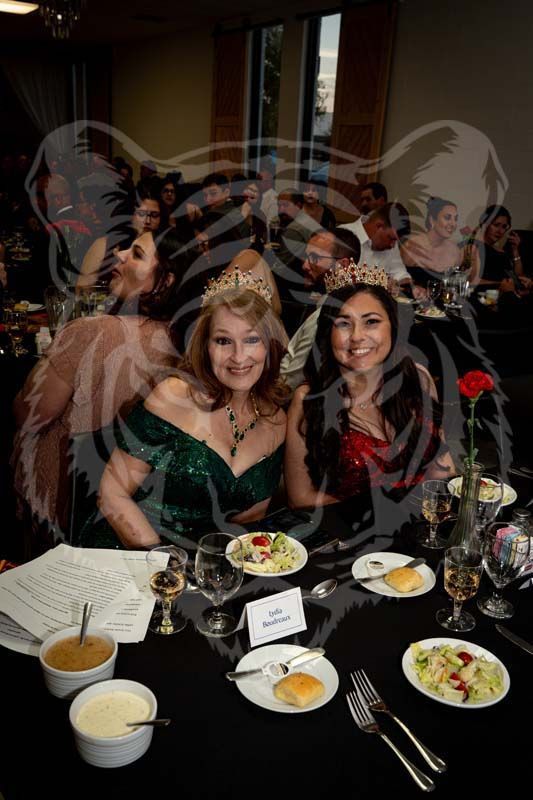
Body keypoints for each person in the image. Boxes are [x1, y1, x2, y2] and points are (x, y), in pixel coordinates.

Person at [80, 270, 289, 549]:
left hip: (210, 566)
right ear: (205, 346)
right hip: (133, 551)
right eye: (223, 341)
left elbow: (248, 524)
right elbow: (112, 493)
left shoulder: (275, 422)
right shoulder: (173, 397)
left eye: (252, 339)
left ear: (269, 346)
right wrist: (165, 564)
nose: (239, 357)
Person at [11, 228, 188, 547]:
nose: (118, 255)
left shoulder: (88, 333)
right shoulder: (185, 341)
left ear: (166, 280)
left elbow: (30, 415)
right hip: (141, 504)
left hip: (62, 501)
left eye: (136, 254)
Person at [285, 277, 455, 509]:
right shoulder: (308, 400)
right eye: (344, 323)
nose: (357, 336)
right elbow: (300, 498)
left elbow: (442, 470)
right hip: (352, 534)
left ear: (393, 328)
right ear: (328, 333)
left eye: (371, 322)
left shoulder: (419, 380)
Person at [280, 229, 361, 388]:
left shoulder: (330, 315)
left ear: (343, 265)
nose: (304, 265)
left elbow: (288, 382)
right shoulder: (331, 302)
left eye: (315, 258)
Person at [76, 193, 162, 289]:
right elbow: (82, 289)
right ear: (131, 215)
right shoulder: (105, 244)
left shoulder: (163, 251)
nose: (147, 221)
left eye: (154, 215)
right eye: (141, 214)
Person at [338, 203, 416, 293]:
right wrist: (380, 282)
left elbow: (400, 273)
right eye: (391, 238)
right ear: (379, 226)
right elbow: (336, 277)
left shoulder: (389, 244)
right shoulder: (344, 235)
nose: (392, 245)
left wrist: (411, 287)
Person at [401, 197, 461, 288]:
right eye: (447, 218)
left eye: (455, 219)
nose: (453, 224)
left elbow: (455, 286)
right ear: (432, 220)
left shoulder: (455, 252)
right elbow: (397, 278)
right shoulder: (412, 245)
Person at [462, 205, 524, 286]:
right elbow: (470, 281)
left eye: (504, 227)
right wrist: (501, 284)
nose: (500, 231)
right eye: (496, 225)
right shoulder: (473, 247)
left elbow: (518, 278)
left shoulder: (502, 252)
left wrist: (515, 250)